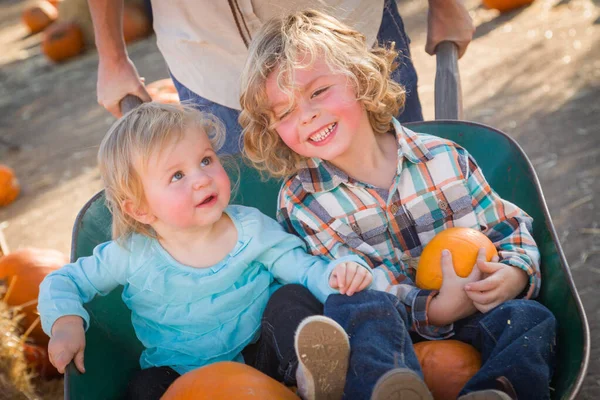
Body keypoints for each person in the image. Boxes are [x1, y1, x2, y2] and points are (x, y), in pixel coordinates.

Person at [239, 10, 557, 400]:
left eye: (318, 92)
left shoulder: (444, 159)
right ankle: (386, 390)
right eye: (285, 112)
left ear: (359, 77)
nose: (307, 116)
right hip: (381, 340)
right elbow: (351, 285)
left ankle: (497, 390)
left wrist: (513, 275)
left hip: (479, 313)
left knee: (531, 318)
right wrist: (436, 309)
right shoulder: (303, 201)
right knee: (356, 302)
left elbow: (508, 230)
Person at [37, 102, 374, 399]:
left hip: (265, 359)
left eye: (206, 160)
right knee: (144, 387)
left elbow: (300, 267)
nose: (201, 179)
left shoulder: (250, 229)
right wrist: (66, 322)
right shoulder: (130, 255)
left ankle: (309, 380)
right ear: (140, 209)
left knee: (291, 298)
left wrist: (336, 274)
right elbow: (64, 281)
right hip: (187, 381)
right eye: (177, 175)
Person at [88, 0, 474, 154]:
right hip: (212, 61)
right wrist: (111, 55)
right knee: (275, 230)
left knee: (415, 179)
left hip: (347, 30)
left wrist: (446, 2)